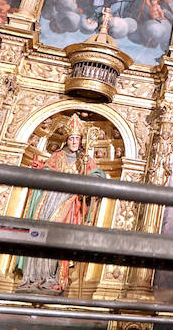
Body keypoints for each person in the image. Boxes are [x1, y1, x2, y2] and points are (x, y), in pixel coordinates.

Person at [12, 117, 110, 292]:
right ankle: (34, 276)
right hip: (49, 200)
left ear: (81, 141)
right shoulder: (57, 156)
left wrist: (91, 177)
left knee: (57, 237)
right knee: (41, 234)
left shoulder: (85, 159)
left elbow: (98, 176)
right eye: (71, 138)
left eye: (77, 139)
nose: (74, 141)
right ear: (67, 140)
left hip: (70, 204)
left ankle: (52, 277)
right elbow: (47, 171)